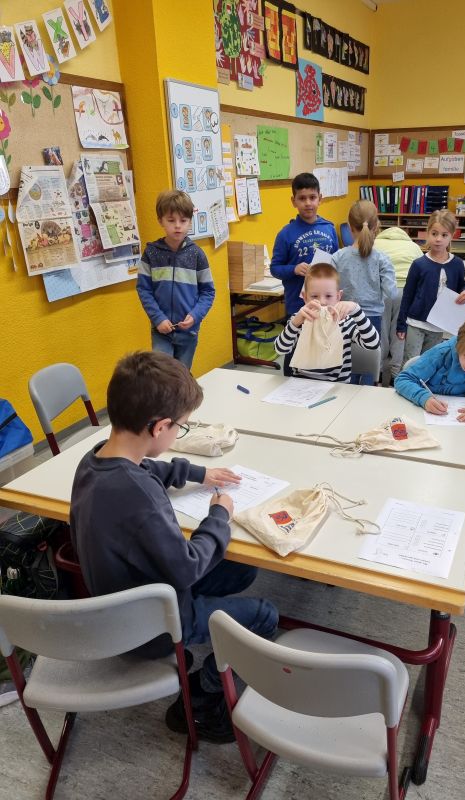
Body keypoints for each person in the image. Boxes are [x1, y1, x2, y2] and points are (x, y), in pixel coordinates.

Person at [70, 351, 278, 743]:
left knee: (242, 569)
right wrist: (218, 516)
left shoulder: (95, 458)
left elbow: (149, 467)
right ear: (160, 427)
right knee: (265, 615)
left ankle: (209, 648)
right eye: (180, 427)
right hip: (150, 624)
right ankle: (204, 698)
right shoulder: (138, 498)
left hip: (124, 593)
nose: (179, 433)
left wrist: (199, 473)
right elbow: (187, 567)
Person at [136, 190, 215, 371]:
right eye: (171, 221)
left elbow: (208, 292)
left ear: (190, 221)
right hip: (161, 330)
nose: (178, 226)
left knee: (181, 375)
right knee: (163, 375)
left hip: (188, 331)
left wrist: (195, 316)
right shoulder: (151, 253)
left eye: (183, 220)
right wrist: (158, 318)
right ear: (160, 221)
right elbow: (144, 290)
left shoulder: (197, 254)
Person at [270, 173, 338, 375]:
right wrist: (293, 269)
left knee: (323, 351)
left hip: (326, 304)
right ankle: (290, 384)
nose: (308, 203)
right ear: (293, 201)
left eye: (312, 197)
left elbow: (336, 263)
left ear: (320, 198)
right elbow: (275, 268)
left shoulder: (329, 228)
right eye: (302, 198)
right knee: (295, 353)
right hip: (298, 305)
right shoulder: (285, 234)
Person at [274, 263, 379, 383]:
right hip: (302, 384)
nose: (322, 302)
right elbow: (280, 349)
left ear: (338, 296)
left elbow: (373, 344)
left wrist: (357, 311)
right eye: (314, 296)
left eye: (329, 296)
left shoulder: (345, 321)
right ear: (305, 297)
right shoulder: (300, 320)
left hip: (337, 385)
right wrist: (294, 323)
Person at [396, 210, 465, 367]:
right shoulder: (418, 264)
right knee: (411, 363)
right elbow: (407, 295)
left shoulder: (457, 264)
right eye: (434, 233)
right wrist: (401, 324)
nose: (438, 239)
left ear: (452, 236)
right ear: (427, 233)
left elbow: (464, 285)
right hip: (416, 323)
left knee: (430, 364)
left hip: (438, 325)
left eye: (444, 235)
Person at [331, 200, 396, 384]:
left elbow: (328, 289)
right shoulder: (382, 259)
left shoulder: (338, 256)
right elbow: (392, 293)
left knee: (346, 363)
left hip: (343, 317)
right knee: (369, 366)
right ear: (376, 227)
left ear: (349, 227)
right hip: (372, 319)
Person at [374, 225, 423, 386]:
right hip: (405, 291)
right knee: (400, 333)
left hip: (382, 290)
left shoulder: (375, 243)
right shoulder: (414, 247)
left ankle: (378, 373)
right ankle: (396, 375)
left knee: (380, 333)